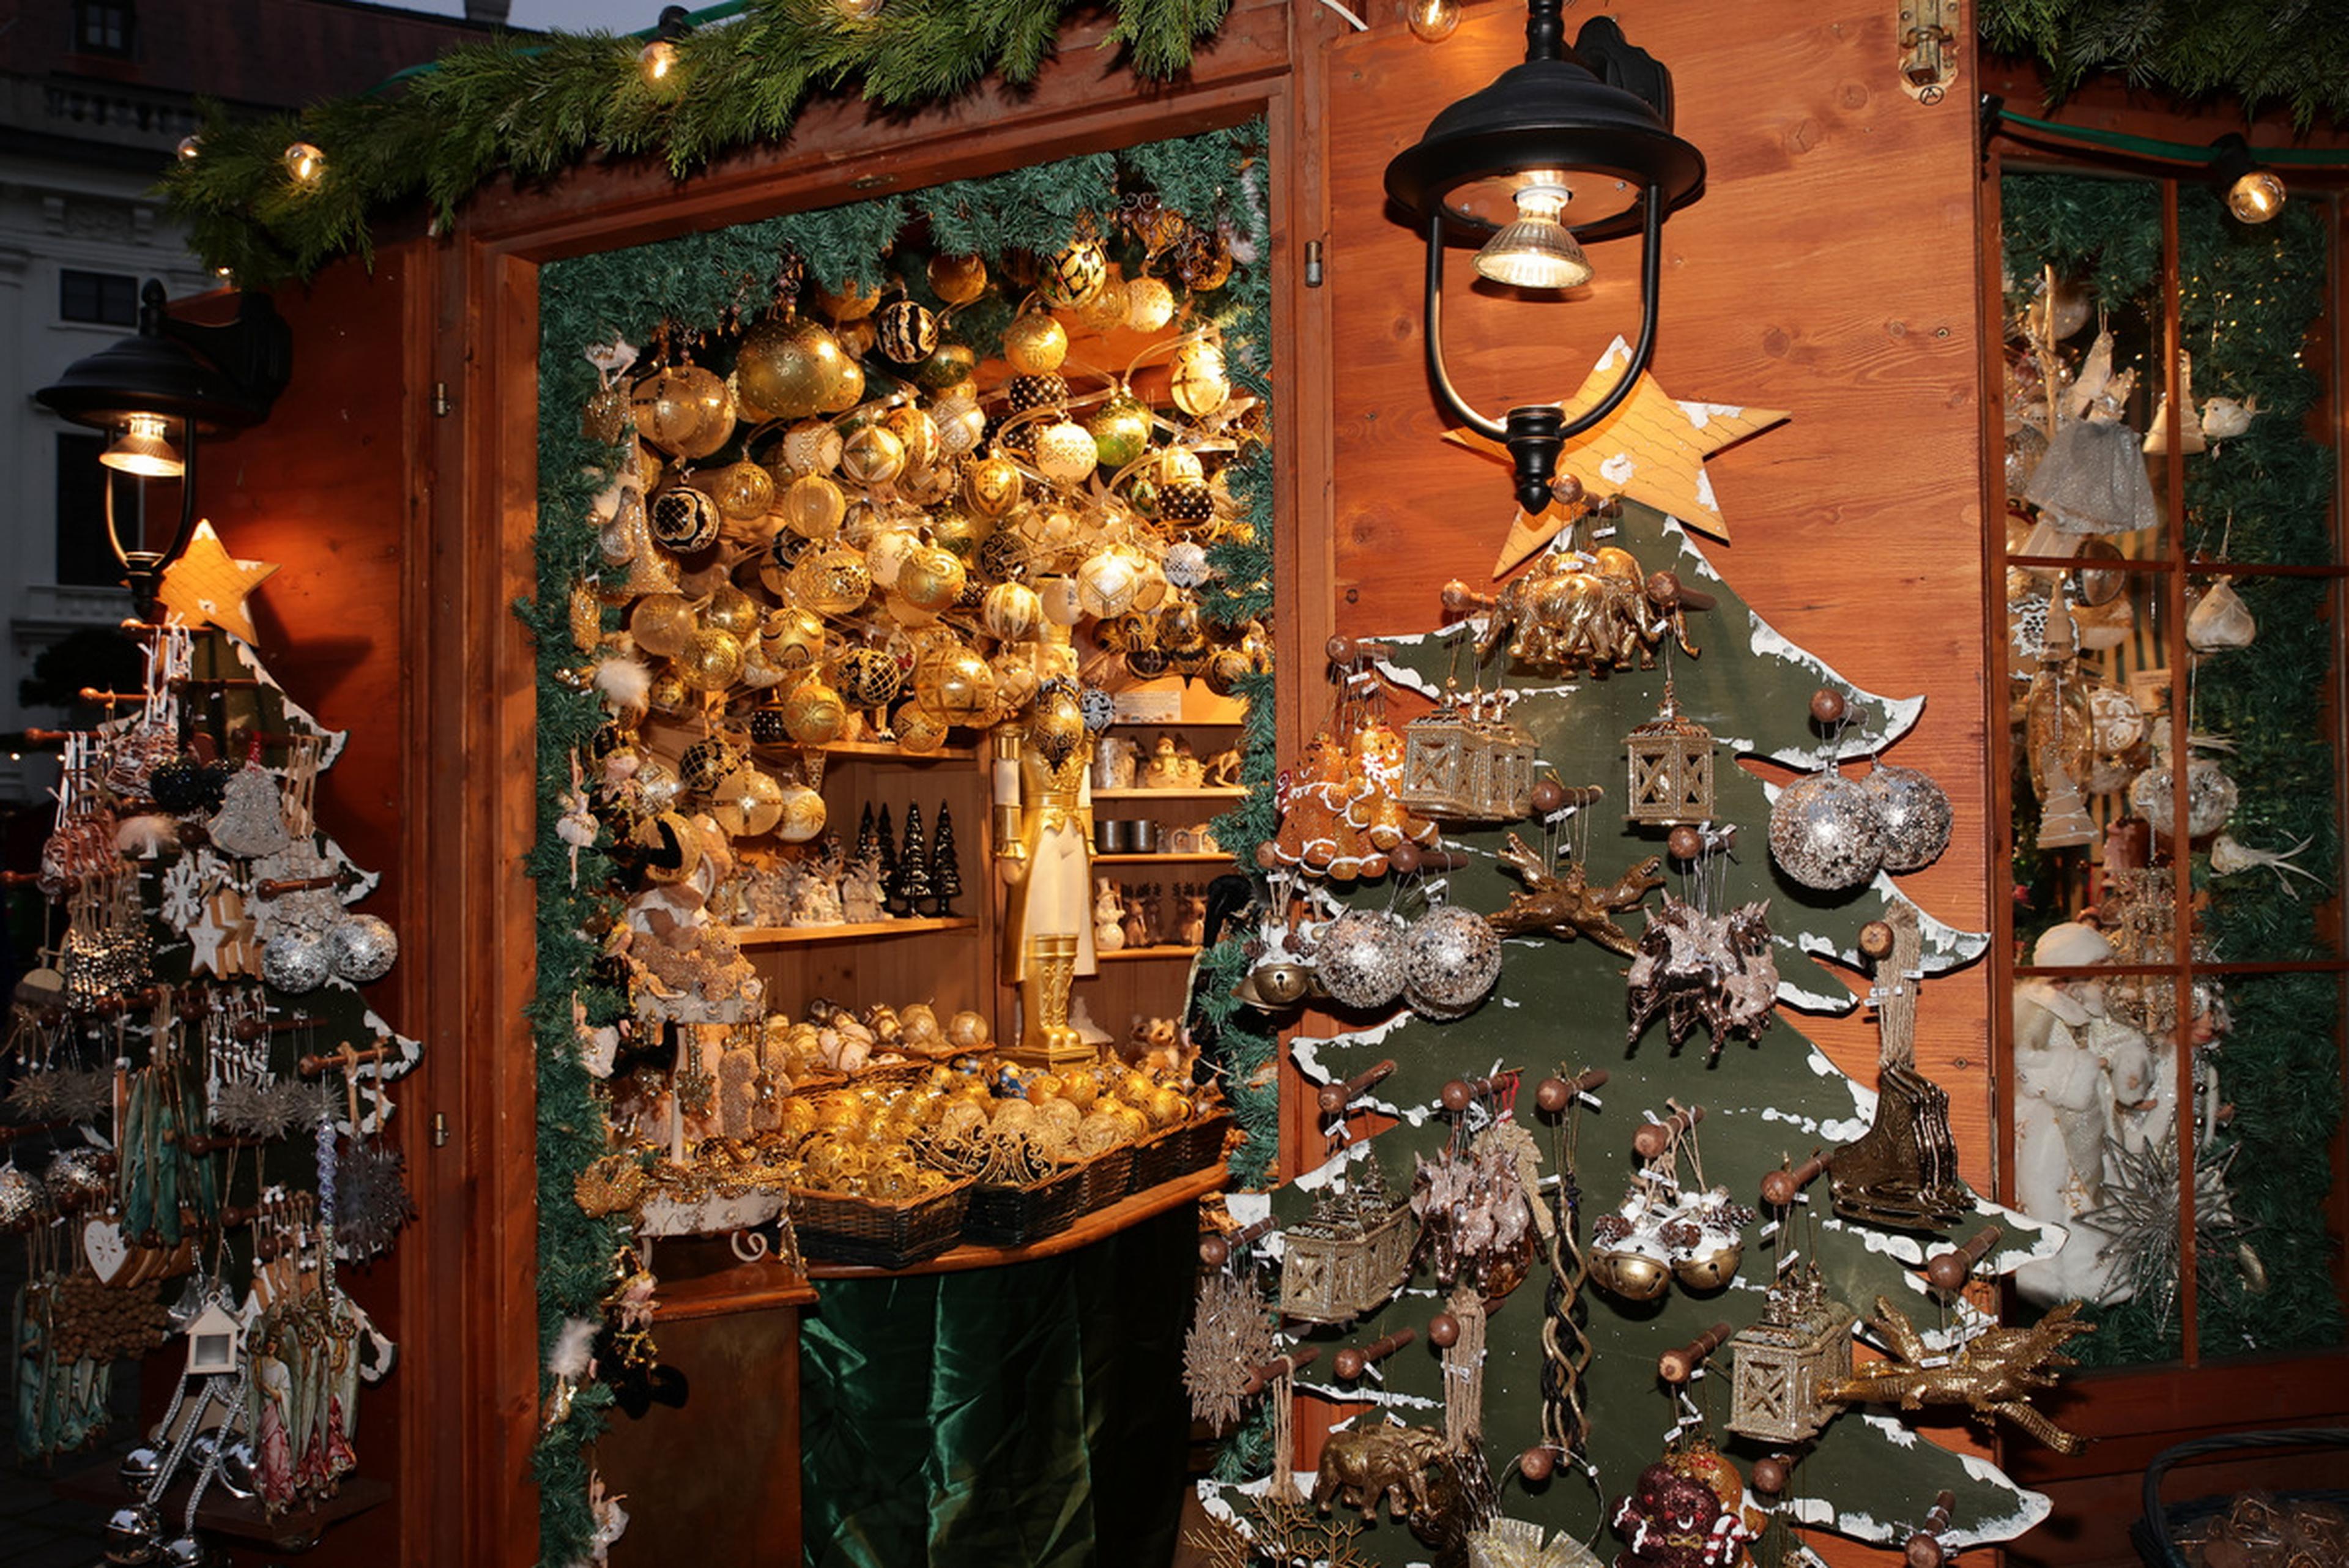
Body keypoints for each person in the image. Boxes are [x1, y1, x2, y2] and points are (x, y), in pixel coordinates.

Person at [2011, 920, 2153, 1306]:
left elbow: (2120, 1039)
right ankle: (2052, 1283)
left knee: (2098, 1198)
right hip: (2050, 1127)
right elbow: (2025, 1062)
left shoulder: (2092, 1010)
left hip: (2097, 1121)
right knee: (2054, 1200)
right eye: (2098, 974)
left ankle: (2099, 1279)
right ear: (2068, 978)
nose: (2105, 986)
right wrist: (2083, 1069)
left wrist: (2128, 1065)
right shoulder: (2032, 1011)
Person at [994, 623, 1097, 1065]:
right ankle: (1038, 1025)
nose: (1060, 668)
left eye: (1066, 660)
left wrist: (1090, 840)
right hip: (1038, 829)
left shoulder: (1079, 731)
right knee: (1039, 926)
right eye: (1051, 659)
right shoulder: (1016, 727)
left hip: (1071, 830)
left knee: (1067, 929)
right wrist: (1009, 842)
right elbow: (1005, 787)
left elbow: (1087, 790)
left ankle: (1059, 1019)